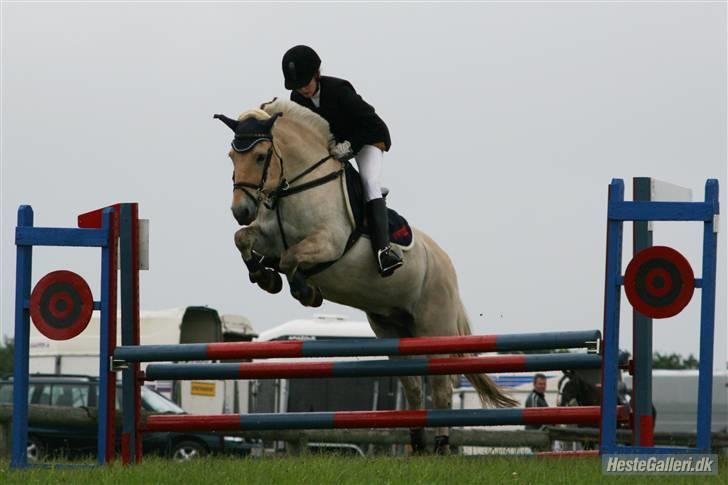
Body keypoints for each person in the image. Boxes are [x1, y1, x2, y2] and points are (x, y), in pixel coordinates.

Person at [281, 45, 403, 278]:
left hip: (367, 139)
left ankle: (383, 252)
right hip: (335, 146)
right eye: (297, 85)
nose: (302, 89)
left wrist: (350, 146)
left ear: (317, 74)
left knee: (368, 182)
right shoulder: (297, 97)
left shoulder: (339, 89)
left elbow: (370, 123)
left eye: (305, 83)